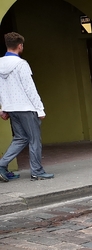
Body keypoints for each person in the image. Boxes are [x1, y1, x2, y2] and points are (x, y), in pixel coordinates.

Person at [0, 32, 52, 182]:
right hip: (26, 107)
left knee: (20, 138)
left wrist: (3, 108)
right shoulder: (22, 64)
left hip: (11, 108)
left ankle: (1, 165)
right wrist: (40, 108)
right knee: (34, 139)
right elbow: (30, 89)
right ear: (20, 46)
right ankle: (37, 171)